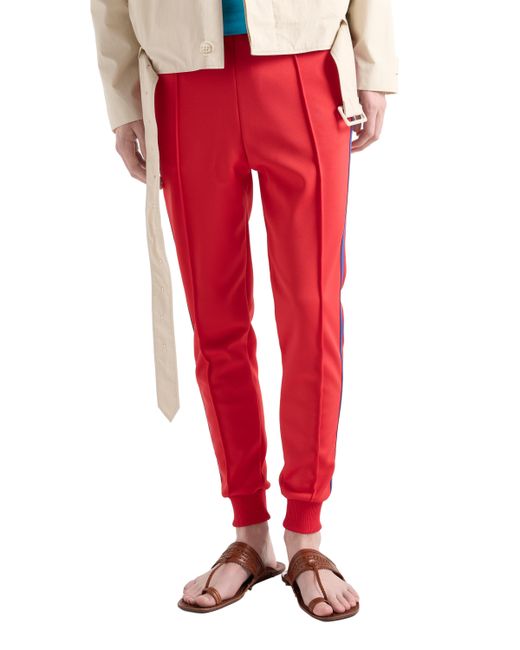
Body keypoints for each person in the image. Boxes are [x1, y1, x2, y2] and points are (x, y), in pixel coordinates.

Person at [90, 0, 398, 621]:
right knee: (216, 321)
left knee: (312, 316)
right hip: (182, 79)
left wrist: (375, 64)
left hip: (305, 67)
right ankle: (250, 530)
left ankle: (306, 530)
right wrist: (123, 101)